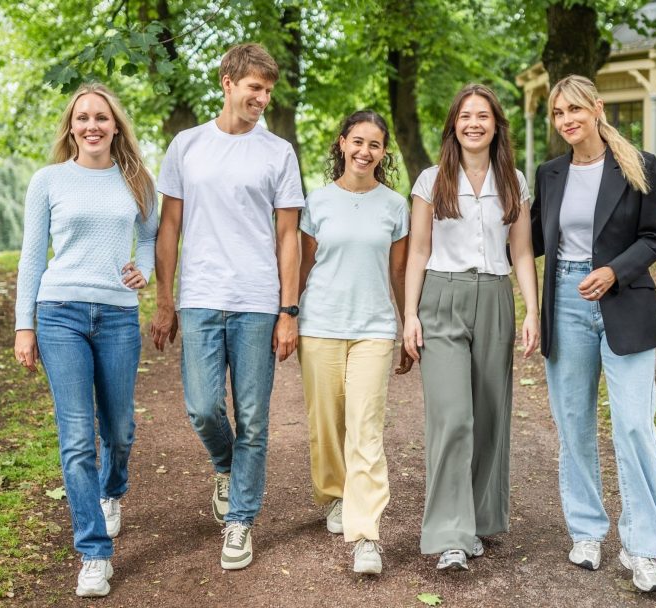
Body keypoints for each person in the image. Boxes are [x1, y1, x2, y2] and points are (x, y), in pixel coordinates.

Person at [149, 43, 305, 571]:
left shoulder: (278, 153)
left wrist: (289, 310)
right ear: (227, 82)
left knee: (255, 418)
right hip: (199, 297)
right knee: (202, 406)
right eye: (253, 87)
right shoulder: (187, 146)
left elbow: (289, 237)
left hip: (258, 303)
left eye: (268, 90)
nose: (261, 98)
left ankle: (240, 520)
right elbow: (168, 228)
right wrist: (164, 299)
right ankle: (226, 464)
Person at [13, 83, 157, 597]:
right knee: (77, 439)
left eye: (101, 117)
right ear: (70, 127)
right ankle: (94, 553)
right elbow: (33, 255)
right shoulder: (48, 180)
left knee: (118, 429)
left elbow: (150, 237)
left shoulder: (137, 179)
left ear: (116, 125)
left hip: (118, 316)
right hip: (59, 315)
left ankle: (111, 492)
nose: (92, 125)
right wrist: (23, 324)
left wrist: (144, 270)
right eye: (82, 118)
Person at [531, 74, 656, 593]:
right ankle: (587, 530)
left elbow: (655, 238)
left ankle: (643, 548)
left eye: (575, 109)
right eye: (558, 112)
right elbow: (531, 241)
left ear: (596, 108)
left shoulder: (638, 164)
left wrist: (615, 270)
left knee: (634, 425)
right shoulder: (549, 173)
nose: (567, 120)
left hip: (624, 302)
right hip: (565, 301)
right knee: (574, 424)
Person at [403, 83, 540, 572]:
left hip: (496, 298)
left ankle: (479, 520)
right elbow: (418, 251)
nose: (474, 123)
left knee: (489, 416)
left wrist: (532, 312)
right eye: (465, 116)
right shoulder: (430, 180)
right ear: (454, 125)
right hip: (442, 296)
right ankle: (449, 534)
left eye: (483, 115)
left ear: (496, 125)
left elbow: (521, 252)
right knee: (454, 416)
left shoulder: (515, 181)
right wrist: (409, 314)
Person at [296, 110, 411, 575]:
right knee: (325, 425)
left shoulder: (394, 206)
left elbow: (399, 272)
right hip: (319, 325)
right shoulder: (316, 202)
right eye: (357, 142)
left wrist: (408, 325)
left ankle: (366, 534)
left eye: (375, 145)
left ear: (384, 153)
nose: (365, 151)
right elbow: (301, 268)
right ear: (342, 143)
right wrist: (286, 317)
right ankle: (335, 494)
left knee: (366, 429)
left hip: (374, 330)